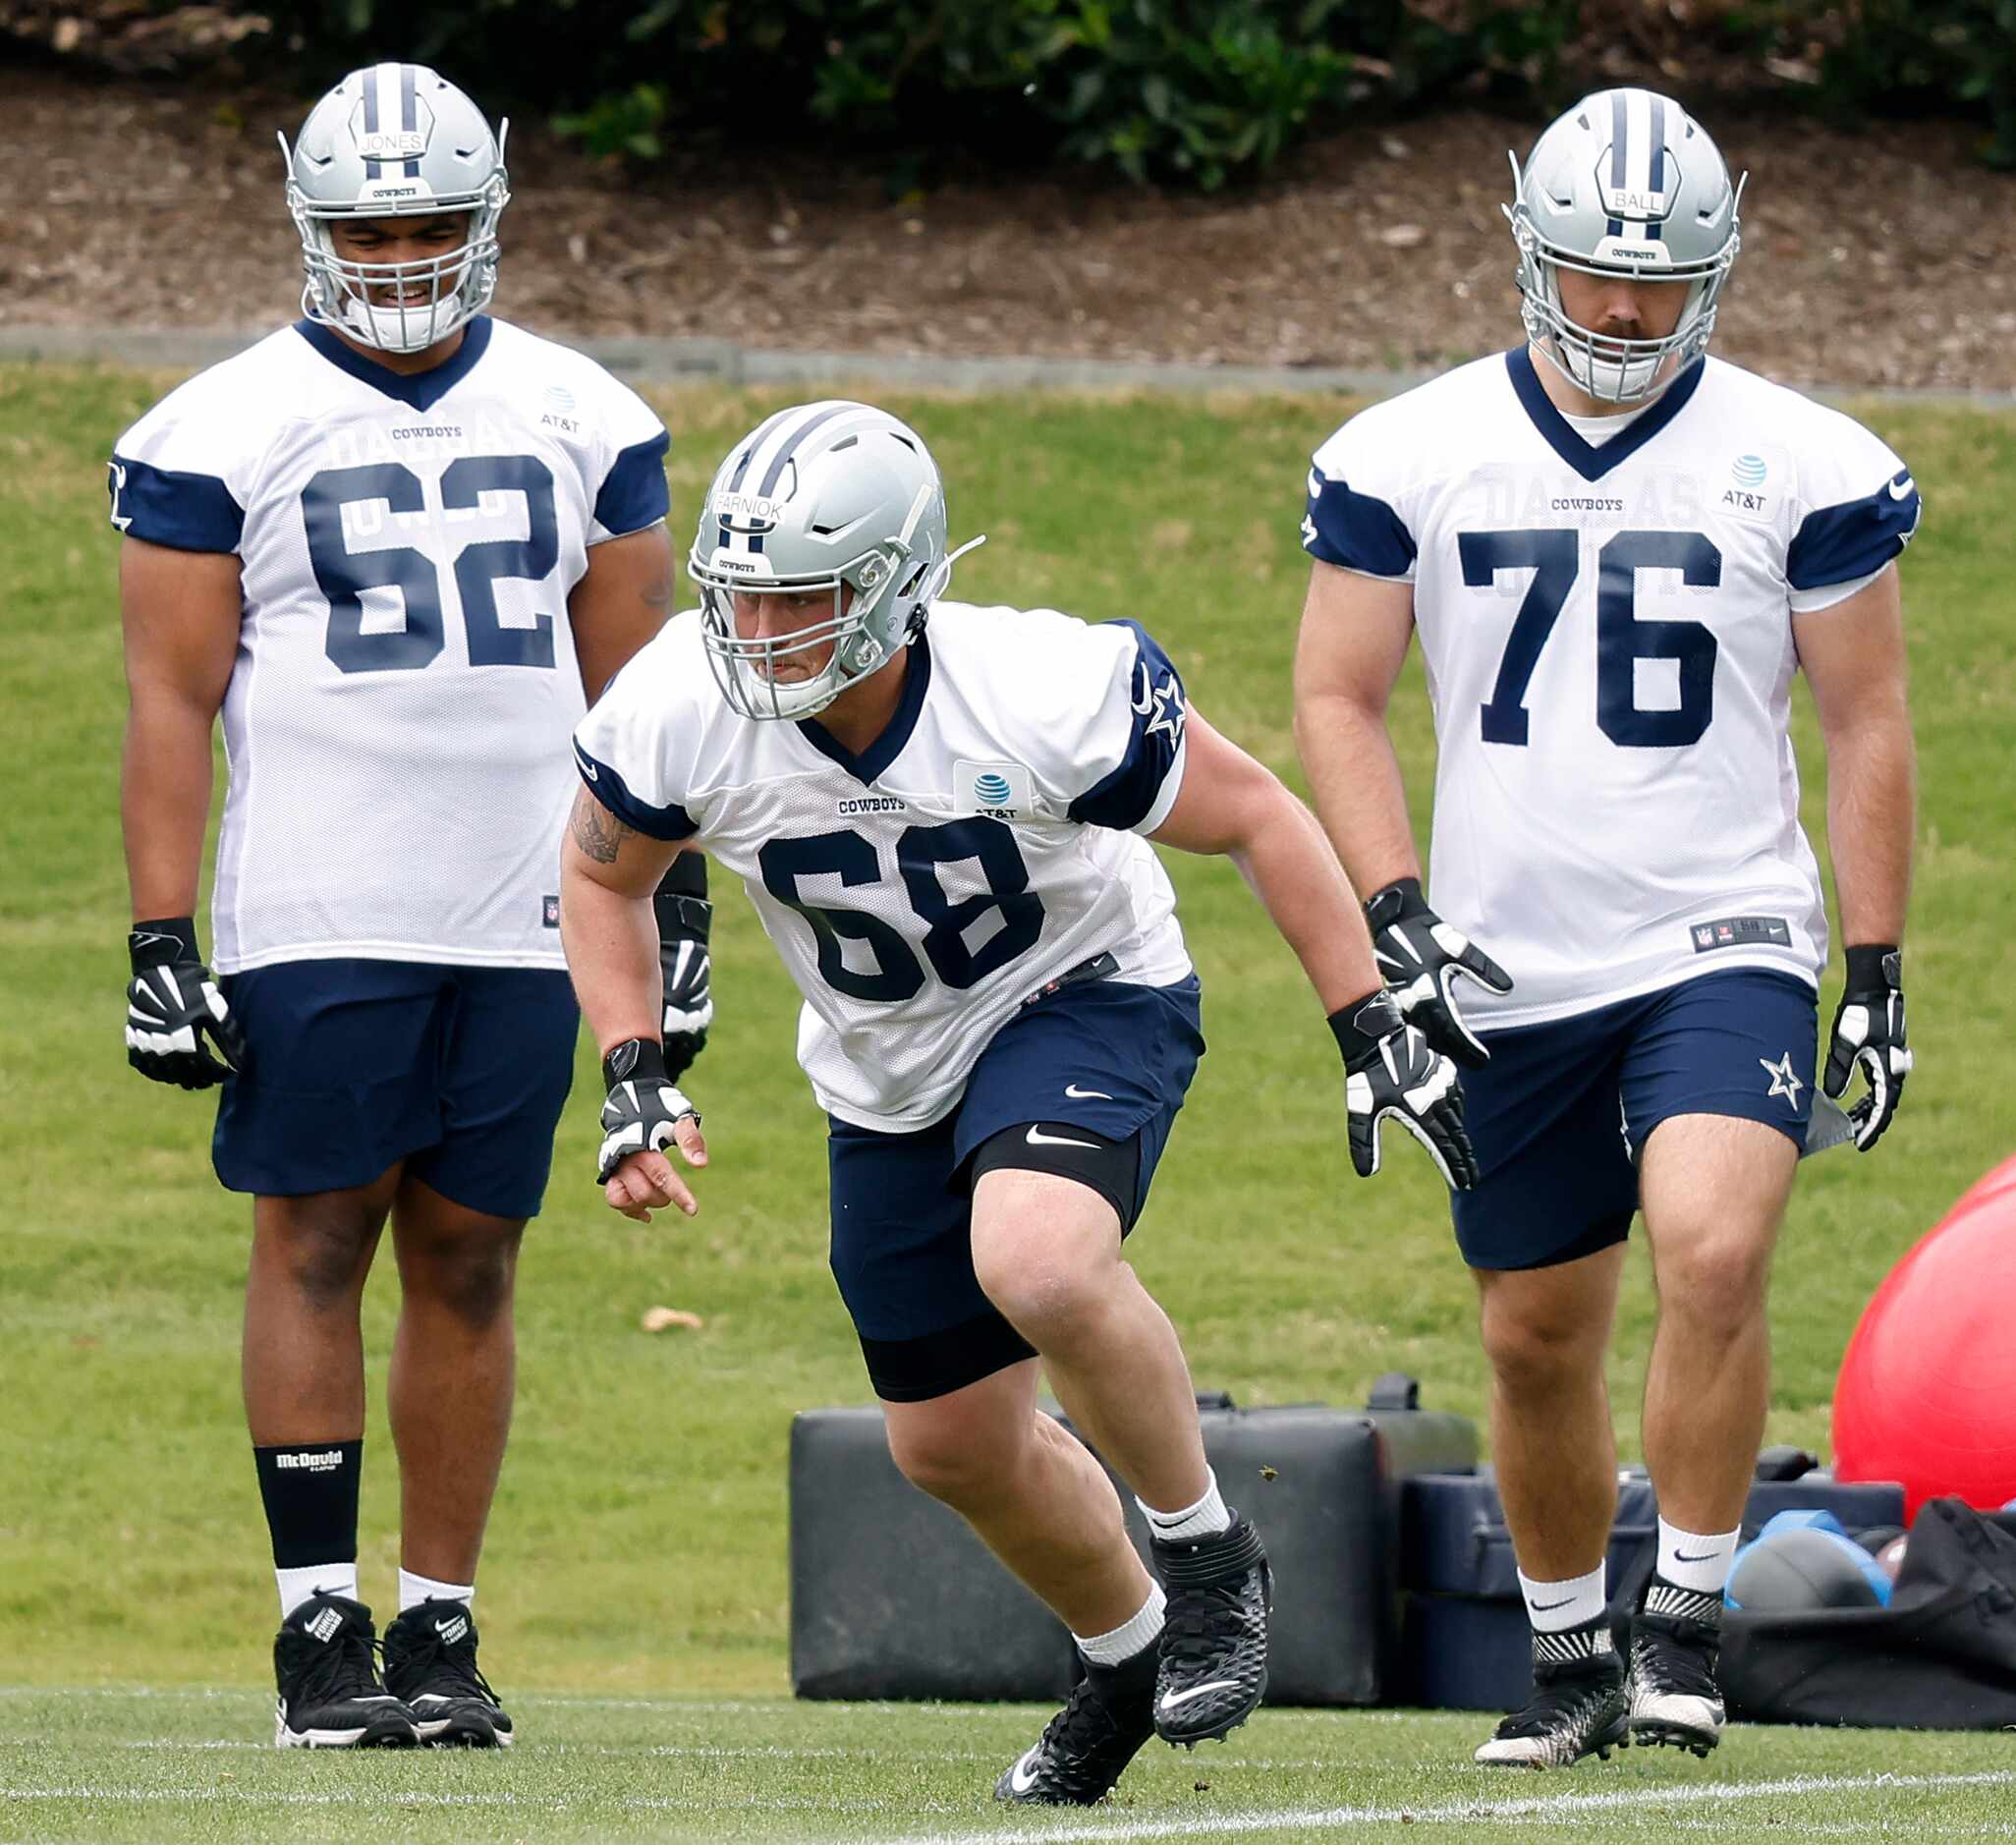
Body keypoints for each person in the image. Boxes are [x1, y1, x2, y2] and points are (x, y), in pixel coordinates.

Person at [560, 400, 1476, 1804]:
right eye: (739, 595)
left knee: (1036, 1254)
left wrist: (1365, 1020)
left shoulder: (1044, 687)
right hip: (883, 1062)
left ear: (899, 587)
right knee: (948, 1443)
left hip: (1081, 988)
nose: (758, 631)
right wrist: (631, 1067)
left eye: (800, 599)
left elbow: (1257, 818)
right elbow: (602, 877)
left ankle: (1212, 1555)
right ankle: (1124, 1648)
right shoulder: (680, 702)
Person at [1293, 86, 1920, 1766]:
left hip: (1724, 928)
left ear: (1719, 269)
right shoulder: (1406, 451)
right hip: (1504, 953)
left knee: (1713, 1246)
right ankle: (1570, 1649)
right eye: (1594, 274)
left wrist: (1874, 962)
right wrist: (1396, 913)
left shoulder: (1808, 459)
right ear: (1526, 252)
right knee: (1532, 1327)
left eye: (1661, 280)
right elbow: (1337, 694)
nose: (1628, 312)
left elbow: (1869, 723)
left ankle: (1689, 1628)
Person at [112, 62, 715, 1749]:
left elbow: (645, 694)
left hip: (535, 901)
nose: (395, 254)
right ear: (308, 222)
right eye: (366, 224)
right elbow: (169, 702)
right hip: (319, 896)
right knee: (314, 1234)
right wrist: (164, 937)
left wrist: (676, 922)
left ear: (492, 217)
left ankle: (439, 1627)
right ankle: (320, 1632)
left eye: (429, 223)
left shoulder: (586, 412)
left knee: (474, 1255)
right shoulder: (214, 426)